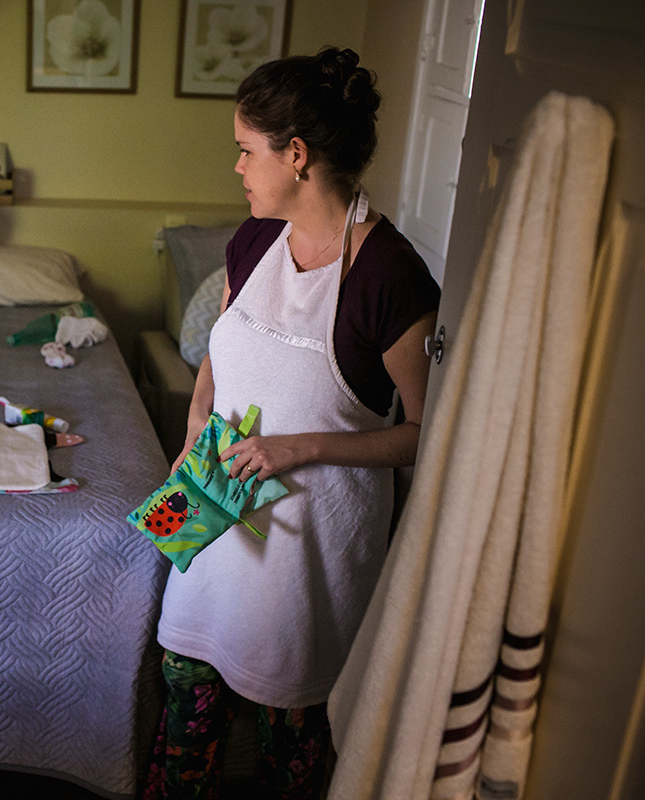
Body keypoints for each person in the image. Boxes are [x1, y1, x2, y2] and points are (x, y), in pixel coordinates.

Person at [143, 47, 441, 799]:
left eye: (247, 151)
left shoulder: (390, 277)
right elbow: (218, 352)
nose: (238, 168)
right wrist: (192, 431)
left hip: (308, 553)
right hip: (208, 495)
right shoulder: (252, 238)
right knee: (181, 696)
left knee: (292, 742)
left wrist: (298, 448)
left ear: (297, 155)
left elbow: (426, 433)